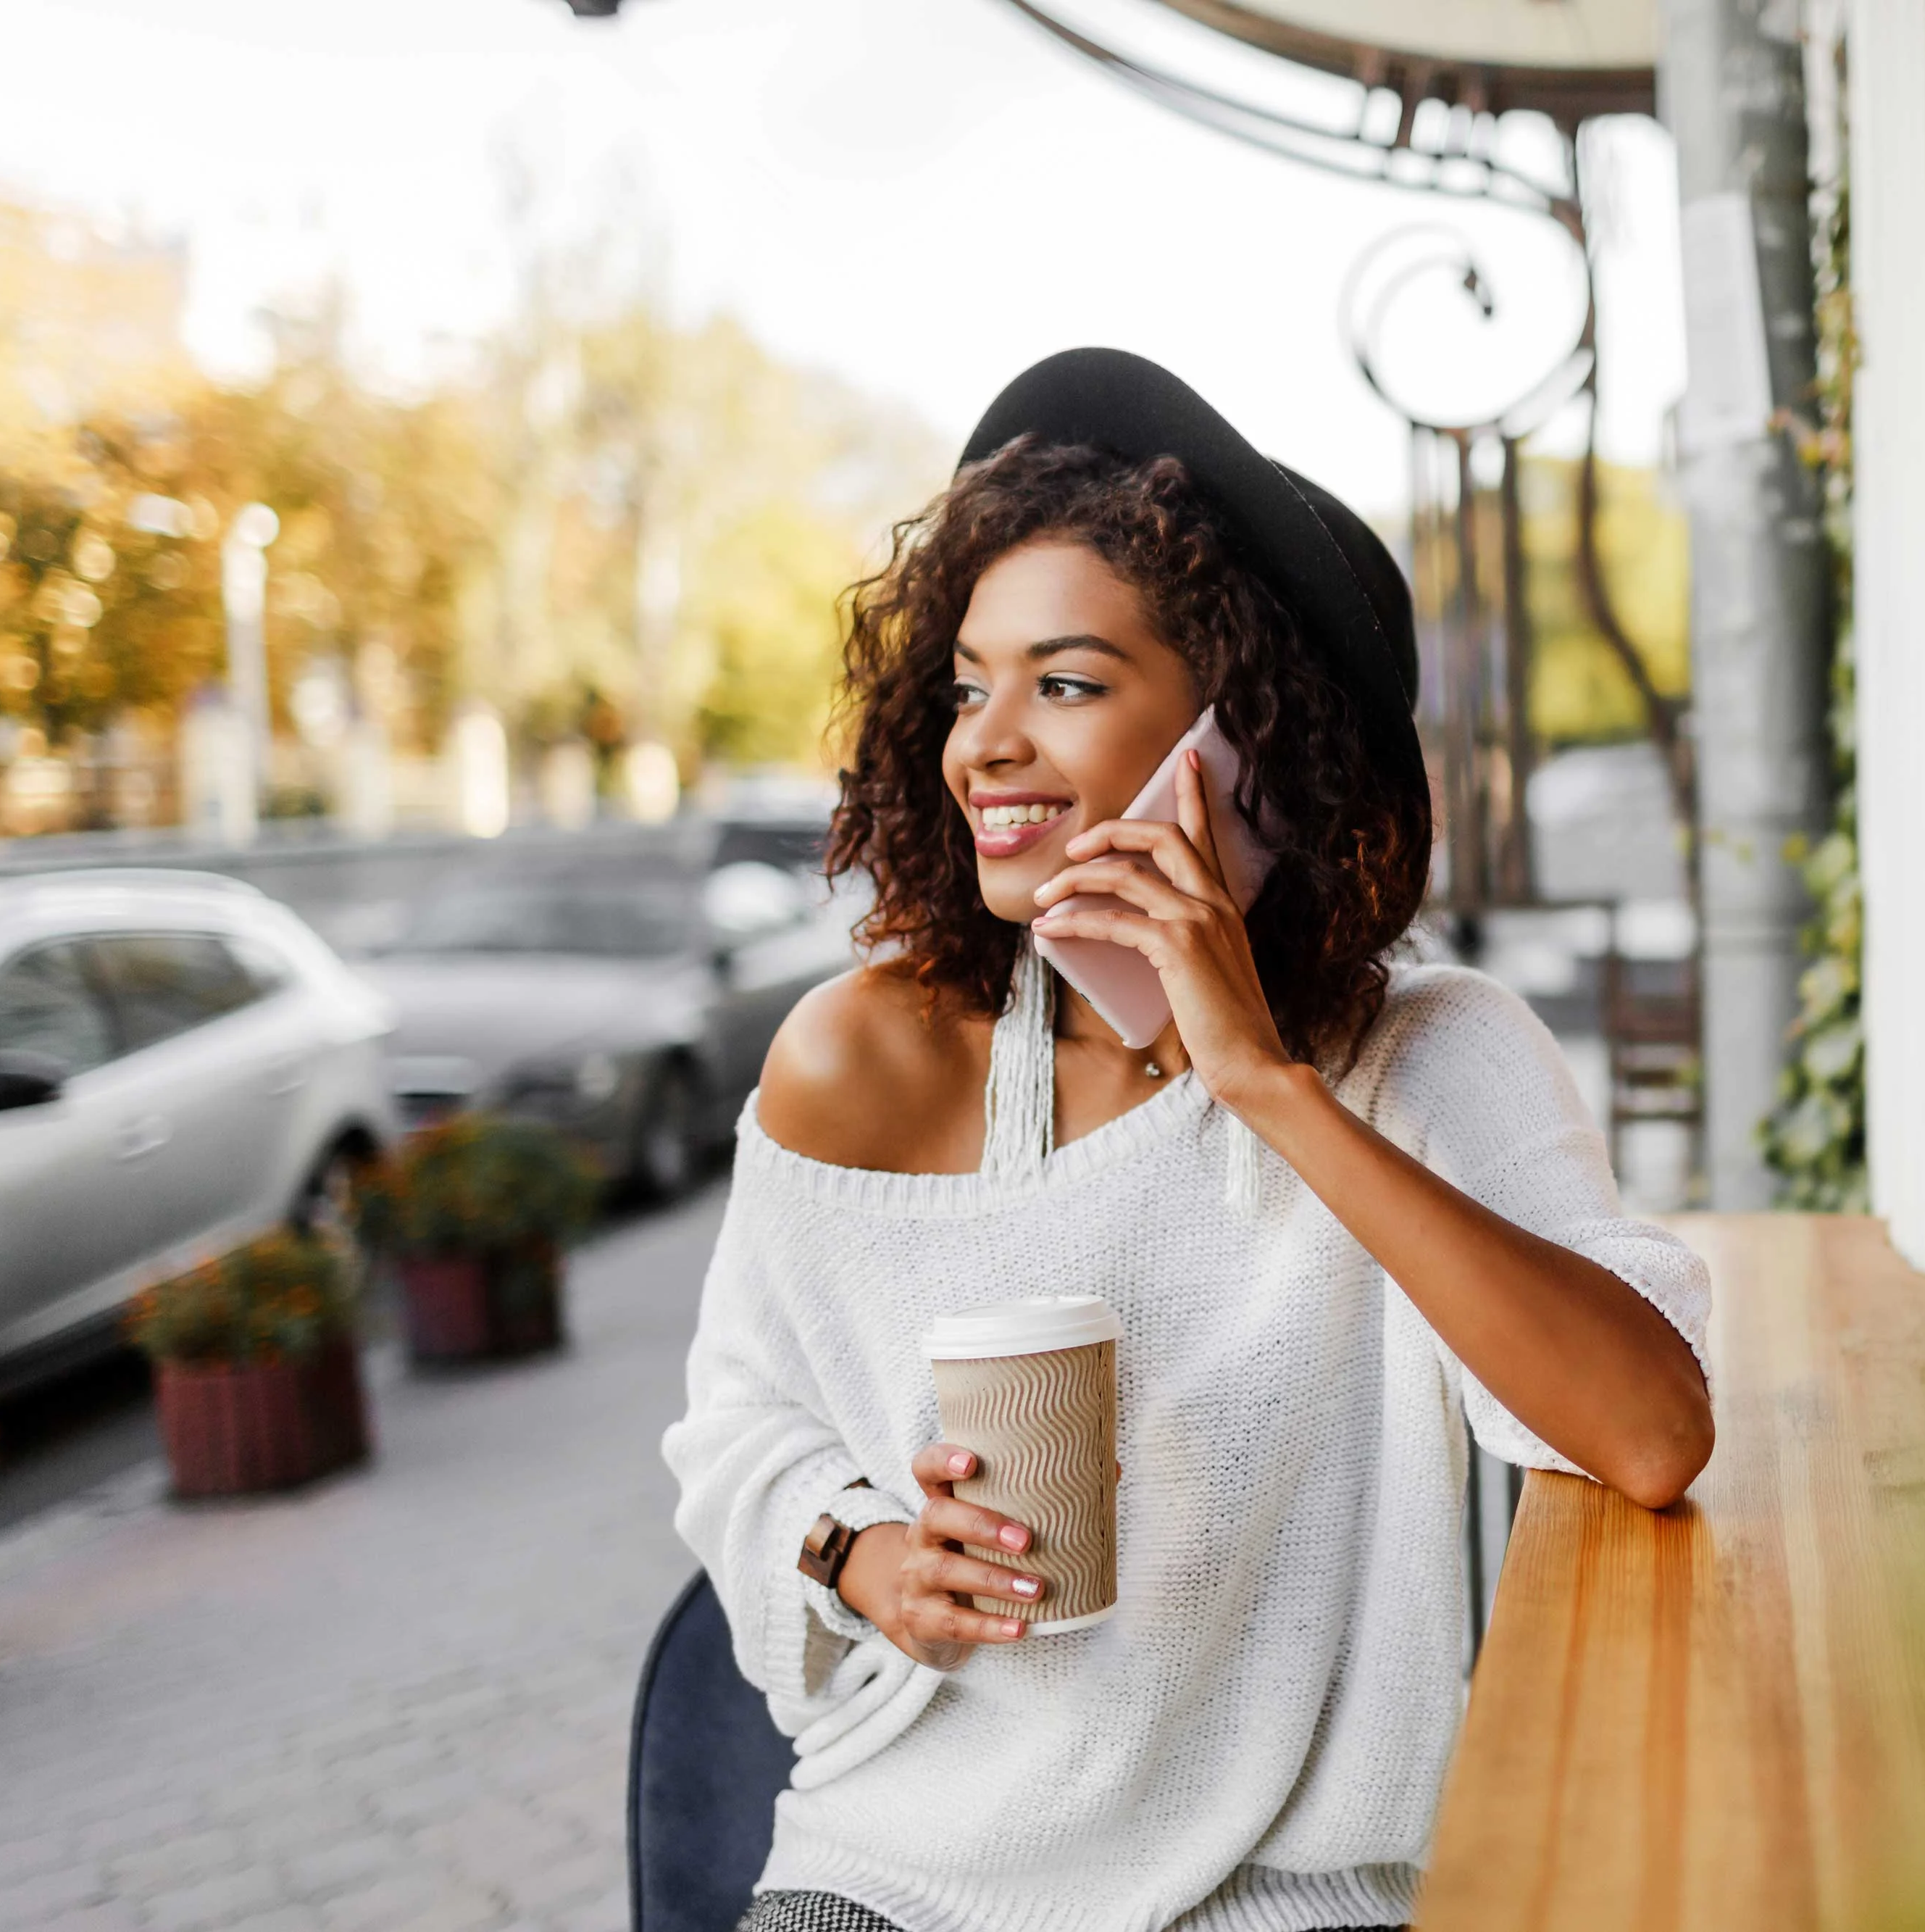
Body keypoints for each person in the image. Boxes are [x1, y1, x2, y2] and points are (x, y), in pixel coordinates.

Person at [663, 349, 1714, 1932]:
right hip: (900, 1872)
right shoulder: (864, 1052)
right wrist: (858, 1546)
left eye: (1066, 684)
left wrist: (1262, 1082)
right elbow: (737, 1414)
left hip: (1286, 1890)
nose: (985, 746)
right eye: (968, 684)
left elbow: (1648, 1433)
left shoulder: (1422, 1059)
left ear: (1246, 750)